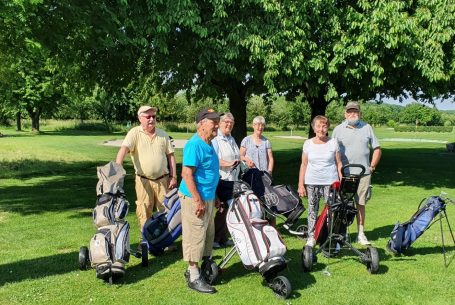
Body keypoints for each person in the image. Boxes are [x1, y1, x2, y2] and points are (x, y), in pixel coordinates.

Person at [115, 105, 177, 235]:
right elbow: (123, 150)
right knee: (144, 211)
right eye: (148, 116)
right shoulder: (134, 133)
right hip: (143, 181)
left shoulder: (163, 134)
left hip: (163, 180)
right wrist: (117, 170)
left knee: (165, 210)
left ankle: (166, 240)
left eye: (153, 116)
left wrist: (173, 176)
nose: (151, 119)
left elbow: (171, 156)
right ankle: (145, 241)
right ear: (140, 118)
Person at [179, 108, 221, 294]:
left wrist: (216, 196)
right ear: (201, 123)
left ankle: (203, 267)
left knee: (207, 233)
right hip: (194, 198)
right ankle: (194, 276)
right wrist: (197, 200)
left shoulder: (209, 143)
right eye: (213, 121)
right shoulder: (194, 144)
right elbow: (186, 174)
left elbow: (209, 173)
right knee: (195, 234)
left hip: (208, 197)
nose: (217, 125)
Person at [332, 101, 382, 245]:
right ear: (345, 114)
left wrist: (371, 167)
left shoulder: (367, 127)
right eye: (349, 111)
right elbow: (332, 152)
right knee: (343, 205)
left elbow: (377, 148)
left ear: (360, 113)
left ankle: (361, 234)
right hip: (344, 174)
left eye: (355, 111)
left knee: (360, 204)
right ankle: (343, 234)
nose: (352, 114)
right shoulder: (338, 129)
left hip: (363, 174)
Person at [298, 115, 342, 247]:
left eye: (324, 126)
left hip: (330, 182)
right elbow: (304, 165)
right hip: (312, 182)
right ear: (314, 128)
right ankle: (311, 237)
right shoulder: (308, 143)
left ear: (327, 127)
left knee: (331, 210)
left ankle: (329, 236)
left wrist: (342, 181)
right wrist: (301, 184)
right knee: (312, 210)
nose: (321, 129)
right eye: (318, 126)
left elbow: (339, 163)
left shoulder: (333, 142)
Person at [211, 112, 240, 249]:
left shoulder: (231, 139)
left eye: (231, 123)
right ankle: (215, 239)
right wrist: (229, 164)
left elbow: (237, 155)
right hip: (221, 180)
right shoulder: (215, 139)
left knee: (229, 209)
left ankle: (224, 237)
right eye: (226, 122)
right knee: (221, 209)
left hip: (232, 180)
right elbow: (214, 159)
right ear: (220, 123)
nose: (229, 125)